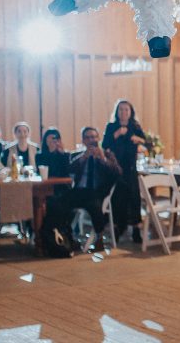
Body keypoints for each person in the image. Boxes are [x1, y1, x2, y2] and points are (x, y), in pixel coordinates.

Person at [47, 126, 122, 253]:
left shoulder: (107, 154)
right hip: (79, 191)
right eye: (88, 137)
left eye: (93, 137)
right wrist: (83, 157)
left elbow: (117, 172)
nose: (91, 140)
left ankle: (99, 237)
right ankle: (64, 235)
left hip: (97, 191)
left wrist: (102, 159)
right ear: (83, 141)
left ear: (98, 138)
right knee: (57, 202)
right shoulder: (78, 155)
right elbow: (69, 169)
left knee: (94, 204)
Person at [103, 99, 146, 243]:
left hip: (131, 167)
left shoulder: (135, 126)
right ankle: (118, 227)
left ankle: (136, 229)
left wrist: (137, 139)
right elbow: (104, 145)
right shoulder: (111, 126)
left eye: (126, 109)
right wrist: (116, 134)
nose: (123, 112)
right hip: (116, 167)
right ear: (117, 112)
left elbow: (146, 142)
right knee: (118, 198)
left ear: (131, 112)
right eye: (121, 109)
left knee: (134, 197)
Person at [38, 127, 72, 195]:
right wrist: (51, 152)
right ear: (45, 141)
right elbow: (42, 172)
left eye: (54, 139)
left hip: (61, 185)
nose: (52, 141)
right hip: (45, 185)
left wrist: (62, 154)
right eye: (49, 139)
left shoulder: (65, 154)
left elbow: (67, 171)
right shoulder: (39, 156)